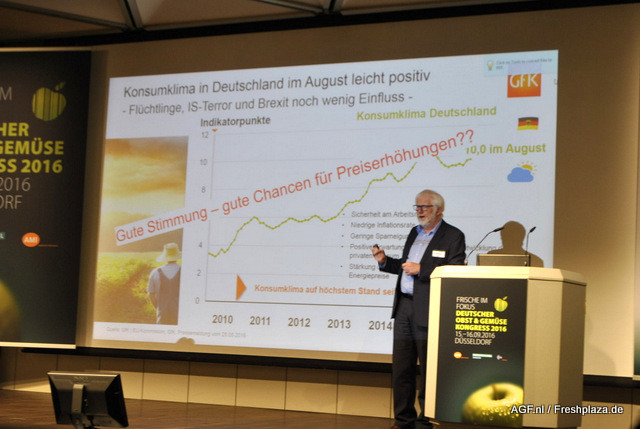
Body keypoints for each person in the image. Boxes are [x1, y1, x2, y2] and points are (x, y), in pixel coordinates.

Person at [372, 189, 465, 429]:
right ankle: (403, 420)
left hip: (429, 309)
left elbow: (454, 270)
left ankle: (426, 422)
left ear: (439, 210)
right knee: (401, 368)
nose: (420, 211)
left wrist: (422, 269)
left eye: (425, 207)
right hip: (404, 307)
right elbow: (406, 268)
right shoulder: (414, 233)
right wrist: (385, 262)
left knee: (427, 369)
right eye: (417, 207)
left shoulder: (453, 236)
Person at [147, 242, 182, 325]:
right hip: (180, 314)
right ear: (177, 256)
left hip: (162, 314)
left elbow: (151, 294)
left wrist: (159, 308)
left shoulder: (155, 272)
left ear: (165, 257)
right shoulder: (184, 271)